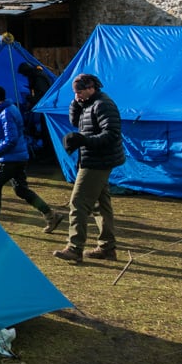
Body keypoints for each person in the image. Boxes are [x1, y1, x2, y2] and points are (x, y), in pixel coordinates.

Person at [53, 73, 125, 264]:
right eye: (75, 93)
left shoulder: (103, 105)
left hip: (98, 161)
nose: (78, 95)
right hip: (93, 158)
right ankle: (107, 248)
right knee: (100, 206)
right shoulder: (88, 103)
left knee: (78, 202)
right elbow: (76, 123)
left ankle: (74, 248)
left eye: (80, 92)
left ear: (91, 88)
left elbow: (111, 134)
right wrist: (76, 104)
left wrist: (85, 140)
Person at [0, 86, 65, 230]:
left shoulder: (6, 113)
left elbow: (11, 138)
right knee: (21, 190)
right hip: (20, 156)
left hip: (10, 158)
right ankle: (51, 215)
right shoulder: (11, 109)